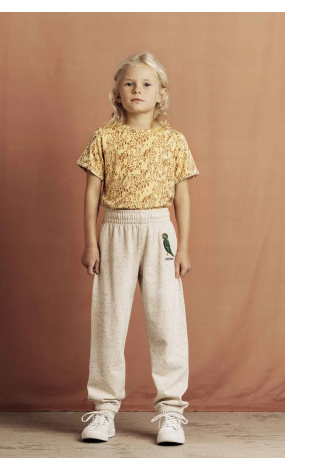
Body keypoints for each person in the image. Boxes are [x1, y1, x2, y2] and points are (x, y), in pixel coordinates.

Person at [76, 51, 199, 446]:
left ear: (161, 93)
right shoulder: (104, 137)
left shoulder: (173, 141)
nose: (137, 90)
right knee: (109, 319)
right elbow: (92, 194)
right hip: (116, 230)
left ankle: (171, 412)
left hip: (159, 231)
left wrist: (183, 246)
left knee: (167, 320)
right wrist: (90, 241)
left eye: (147, 84)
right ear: (117, 93)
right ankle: (104, 408)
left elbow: (182, 197)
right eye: (129, 83)